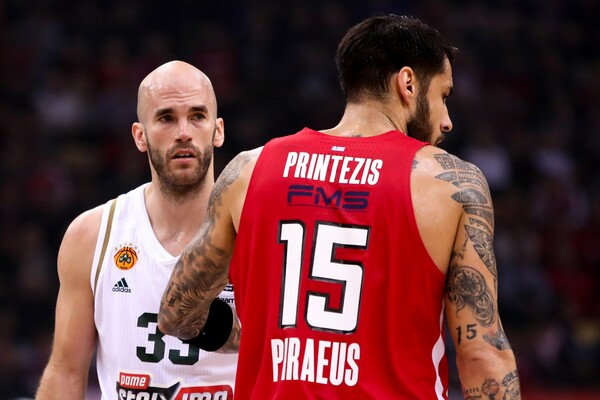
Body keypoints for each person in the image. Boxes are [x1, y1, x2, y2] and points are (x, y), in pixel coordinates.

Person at [158, 15, 520, 399]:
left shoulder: (248, 170)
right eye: (443, 96)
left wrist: (256, 337)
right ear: (408, 83)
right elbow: (482, 355)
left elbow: (176, 313)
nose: (446, 121)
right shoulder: (451, 184)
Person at [36, 60, 239, 400]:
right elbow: (66, 372)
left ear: (217, 130)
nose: (184, 132)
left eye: (197, 116)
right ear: (140, 136)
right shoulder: (91, 236)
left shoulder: (258, 232)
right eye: (166, 118)